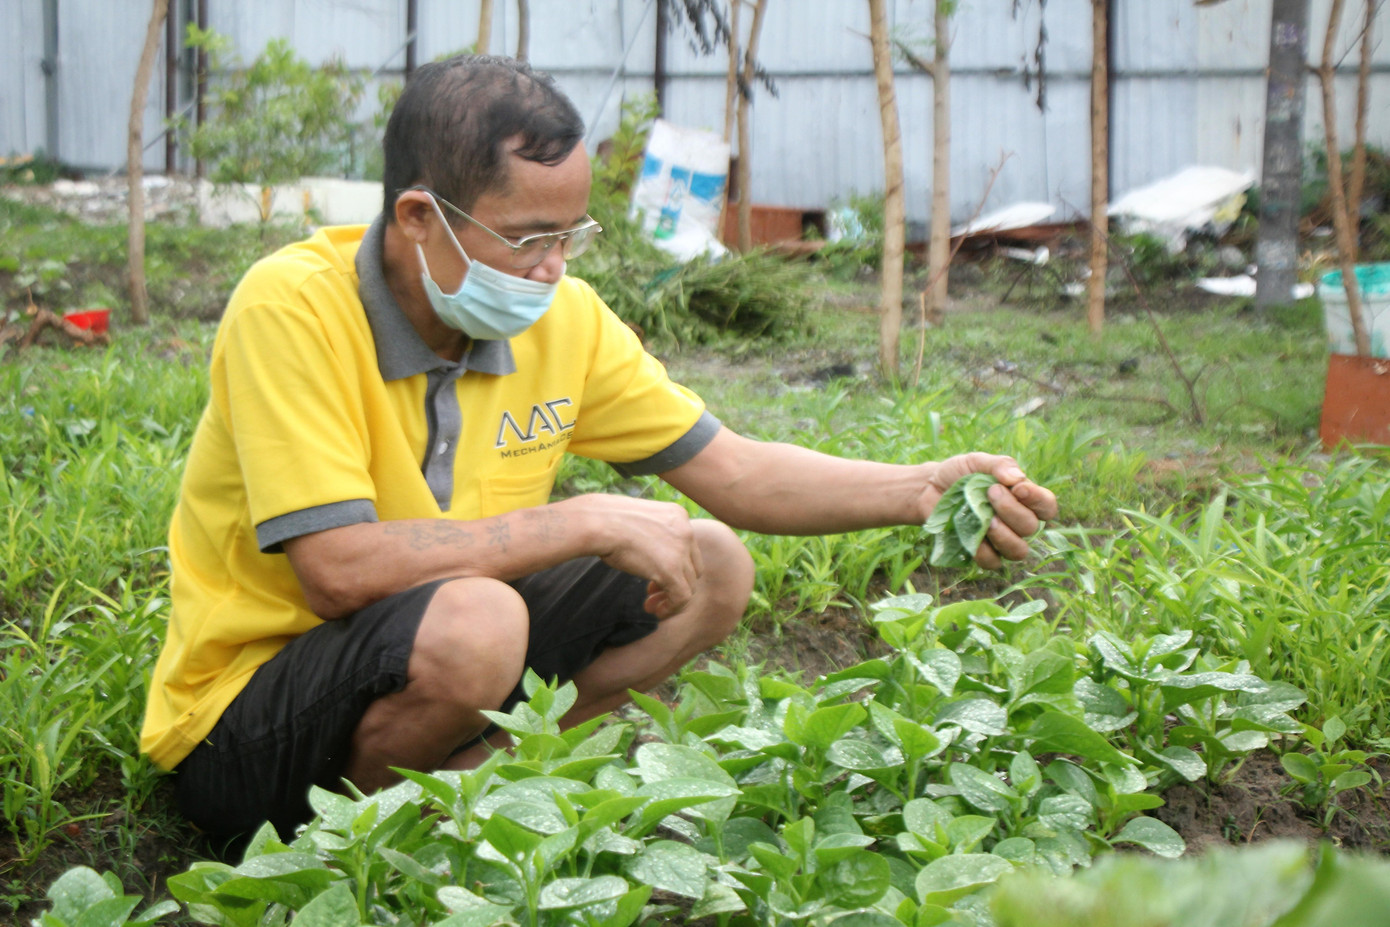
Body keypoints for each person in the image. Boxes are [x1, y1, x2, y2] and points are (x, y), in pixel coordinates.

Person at [140, 54, 1057, 840]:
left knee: (710, 560)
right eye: (527, 238)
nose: (553, 268)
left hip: (436, 644)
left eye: (569, 234)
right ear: (421, 217)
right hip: (245, 720)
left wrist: (920, 486)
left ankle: (480, 785)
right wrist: (580, 518)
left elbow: (733, 472)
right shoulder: (294, 306)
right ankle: (354, 840)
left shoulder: (563, 318)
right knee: (479, 623)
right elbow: (337, 570)